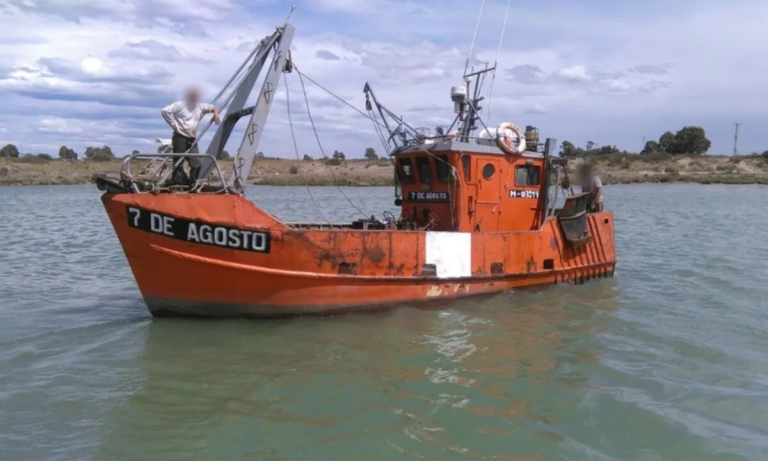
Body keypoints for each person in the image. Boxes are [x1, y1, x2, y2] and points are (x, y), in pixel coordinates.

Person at [161, 87, 220, 185]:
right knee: (178, 161)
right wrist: (174, 124)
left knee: (196, 162)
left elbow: (213, 107)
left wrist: (216, 115)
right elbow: (165, 111)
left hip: (192, 138)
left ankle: (193, 183)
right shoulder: (179, 105)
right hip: (180, 136)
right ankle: (178, 182)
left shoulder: (200, 106)